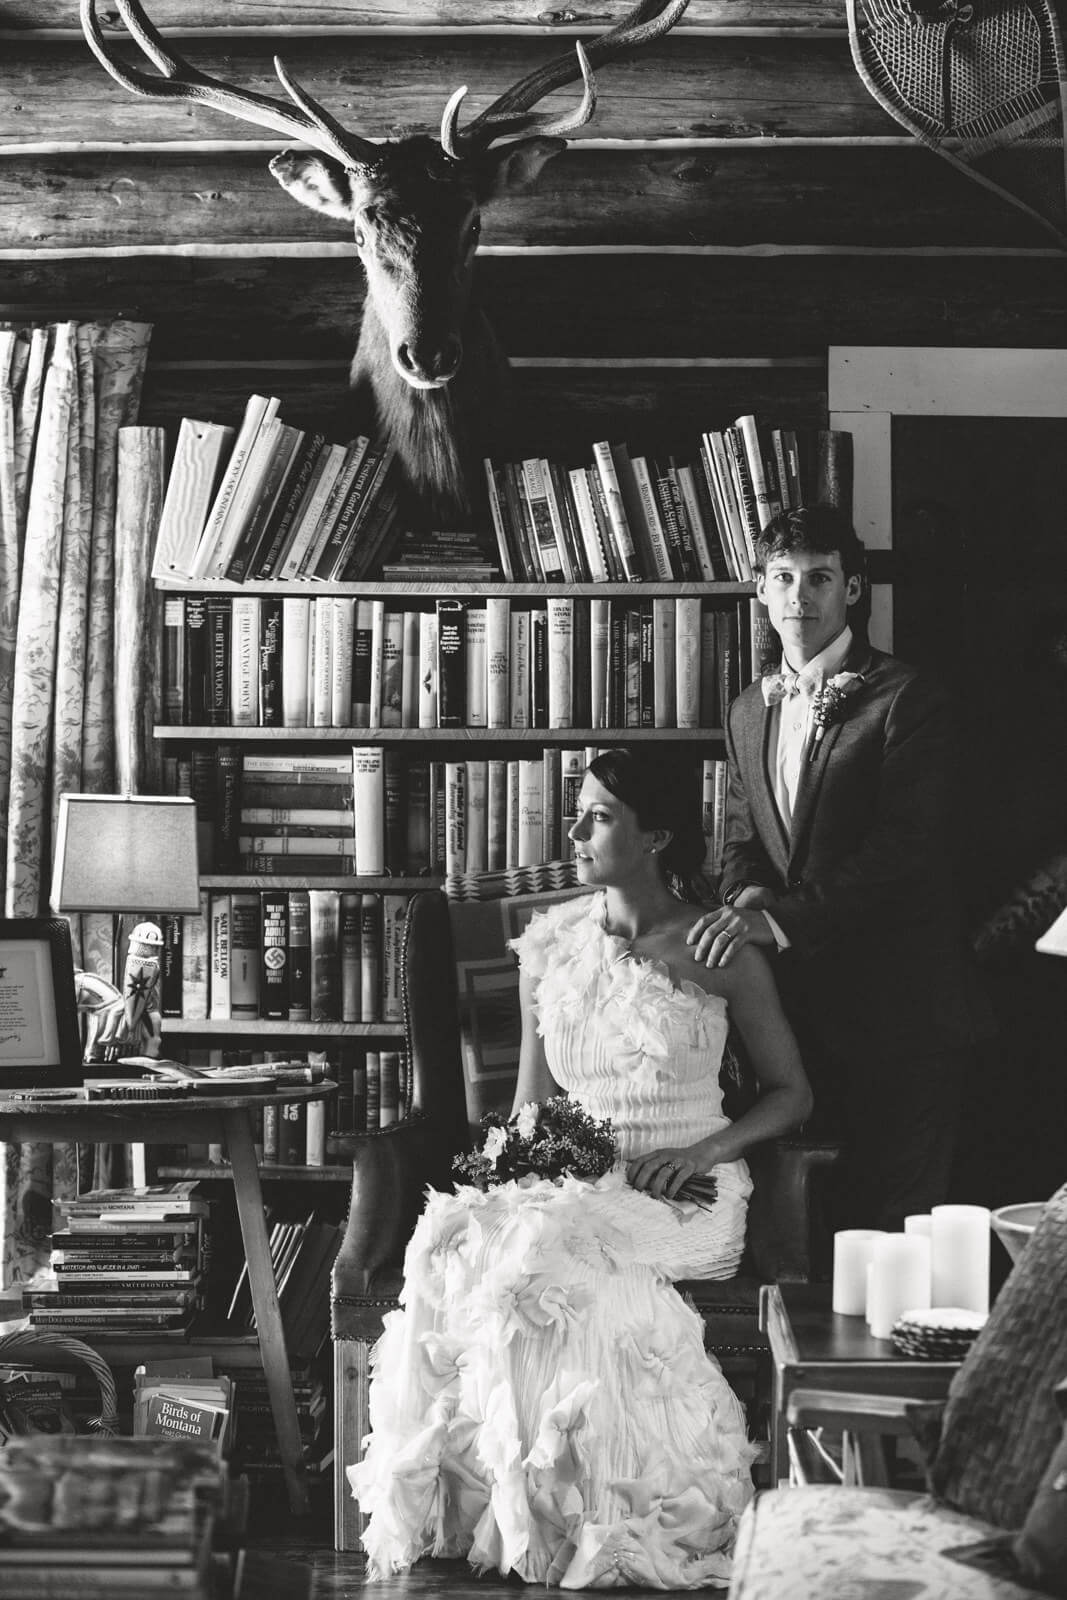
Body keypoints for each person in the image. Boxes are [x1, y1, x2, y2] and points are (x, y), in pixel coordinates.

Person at [349, 747, 812, 1589]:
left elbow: (791, 1095)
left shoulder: (720, 948)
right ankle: (505, 1501)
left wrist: (704, 1151)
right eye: (579, 809)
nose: (573, 830)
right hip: (577, 1177)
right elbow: (531, 1104)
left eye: (598, 816)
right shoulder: (552, 942)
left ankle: (598, 1511)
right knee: (470, 1243)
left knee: (547, 1265)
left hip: (688, 1188)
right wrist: (511, 1173)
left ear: (658, 835)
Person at [687, 503, 984, 1232]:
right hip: (798, 1019)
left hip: (903, 1012)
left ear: (851, 589)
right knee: (818, 1227)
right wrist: (744, 892)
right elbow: (738, 837)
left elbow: (903, 853)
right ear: (759, 590)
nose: (800, 596)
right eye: (782, 578)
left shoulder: (906, 698)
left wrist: (775, 919)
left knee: (904, 1226)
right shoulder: (746, 710)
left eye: (819, 577)